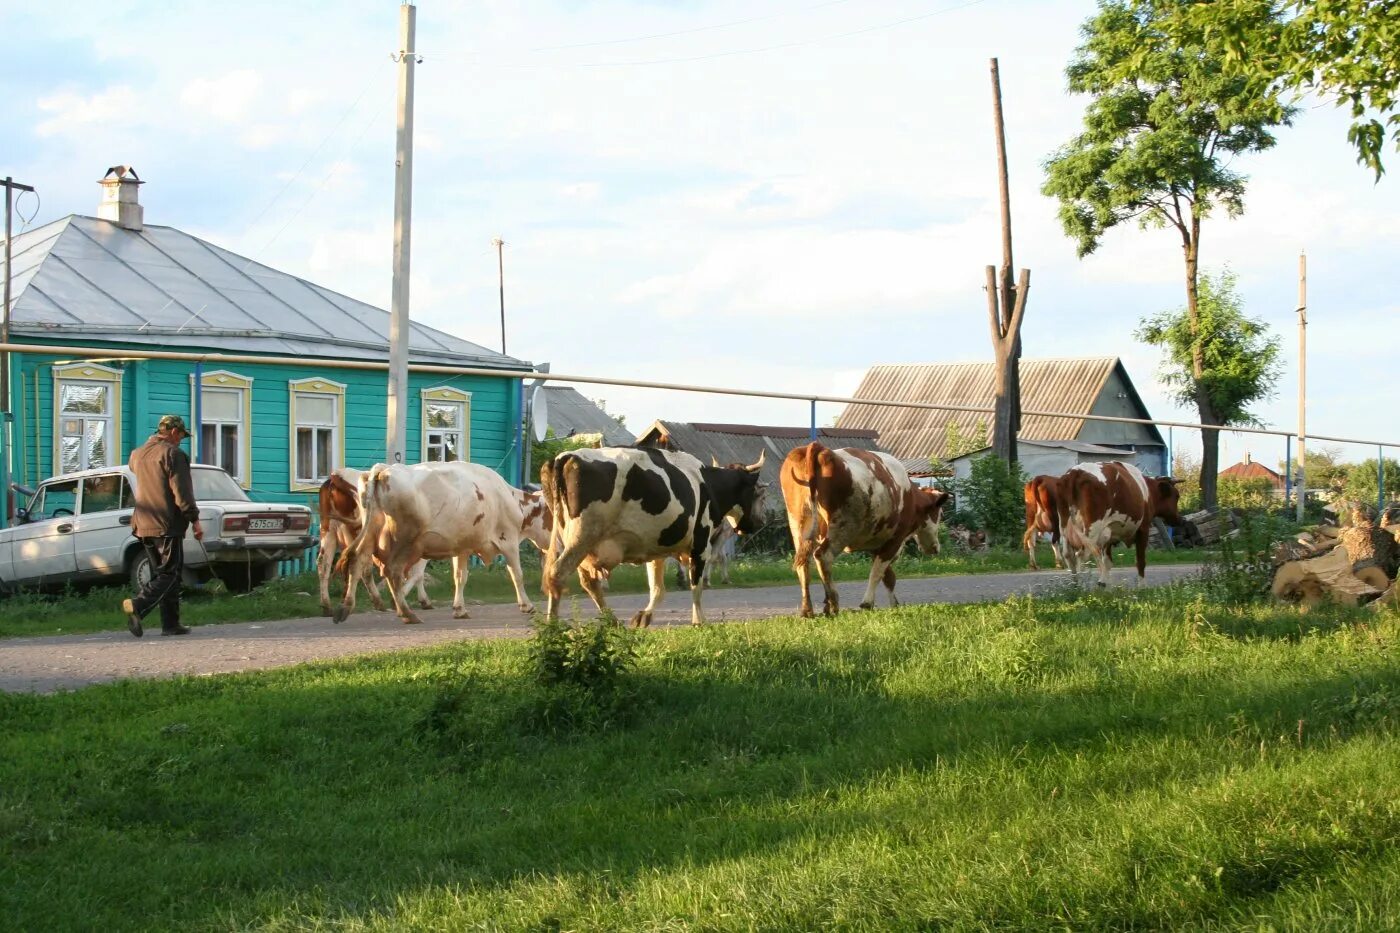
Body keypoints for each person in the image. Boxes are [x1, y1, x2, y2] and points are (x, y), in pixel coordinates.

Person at [121, 414, 203, 637]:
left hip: (142, 522)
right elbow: (182, 492)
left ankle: (171, 624)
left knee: (162, 574)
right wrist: (194, 519)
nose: (181, 440)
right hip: (167, 523)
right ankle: (138, 605)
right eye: (181, 436)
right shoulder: (174, 454)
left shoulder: (137, 455)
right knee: (170, 572)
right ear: (174, 432)